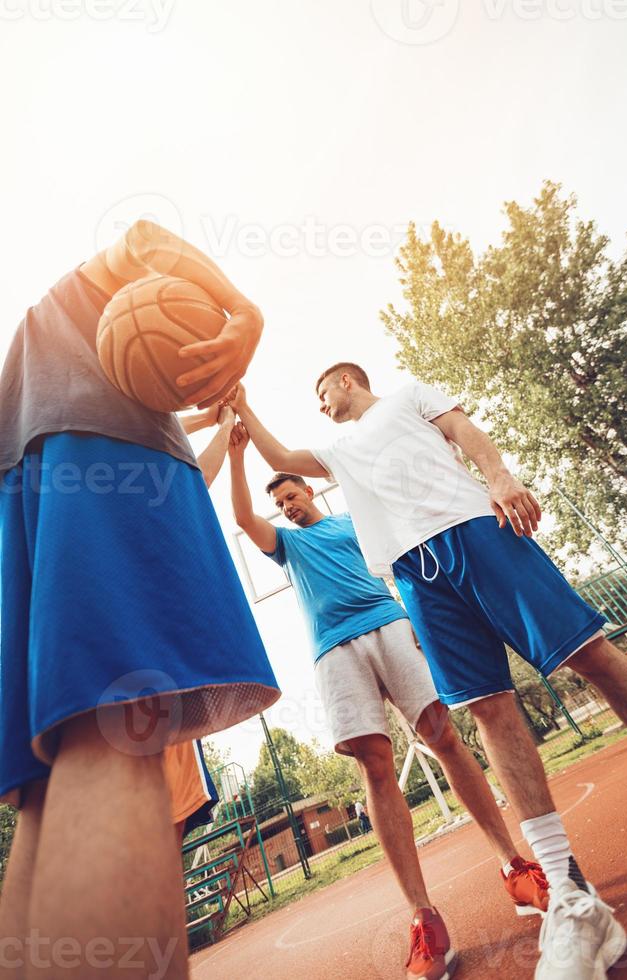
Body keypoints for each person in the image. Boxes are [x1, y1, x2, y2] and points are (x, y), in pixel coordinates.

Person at [229, 368, 627, 980]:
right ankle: (571, 896)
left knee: (591, 657)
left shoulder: (407, 397)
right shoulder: (338, 454)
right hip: (415, 575)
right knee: (487, 708)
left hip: (475, 531)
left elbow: (464, 429)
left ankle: (548, 880)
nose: (321, 408)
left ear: (347, 380)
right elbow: (279, 455)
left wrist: (501, 476)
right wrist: (242, 403)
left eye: (323, 394)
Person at [0, 221, 280, 980]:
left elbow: (186, 452)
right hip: (91, 427)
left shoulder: (51, 372)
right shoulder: (95, 353)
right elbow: (144, 235)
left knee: (49, 787)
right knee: (121, 728)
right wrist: (241, 312)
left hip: (26, 464)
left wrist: (214, 421)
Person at [228, 422, 549, 980]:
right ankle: (424, 919)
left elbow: (399, 568)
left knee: (444, 737)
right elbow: (241, 520)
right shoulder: (288, 545)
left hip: (391, 626)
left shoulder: (353, 525)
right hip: (335, 651)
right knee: (375, 768)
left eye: (292, 495)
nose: (287, 506)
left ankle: (514, 864)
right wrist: (236, 456)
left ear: (308, 491)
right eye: (280, 503)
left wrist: (422, 625)